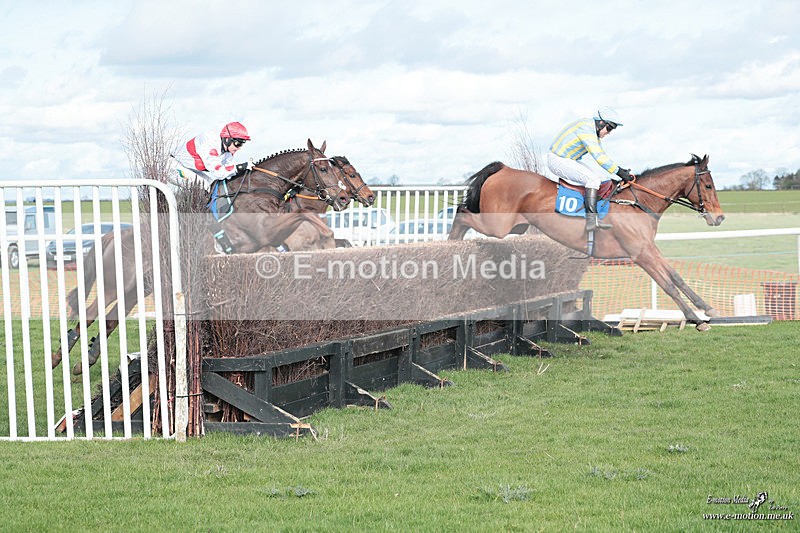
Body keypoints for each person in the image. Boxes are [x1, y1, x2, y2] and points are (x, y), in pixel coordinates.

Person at [547, 107, 632, 231]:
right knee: (592, 180)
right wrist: (619, 171)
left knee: (601, 178)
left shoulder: (591, 129)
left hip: (567, 159)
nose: (609, 132)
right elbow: (599, 156)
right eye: (609, 128)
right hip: (558, 160)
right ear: (601, 122)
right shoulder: (586, 129)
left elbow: (602, 154)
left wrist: (619, 170)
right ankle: (591, 220)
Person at [171, 121, 254, 189]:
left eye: (241, 145)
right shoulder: (210, 144)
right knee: (205, 186)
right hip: (173, 166)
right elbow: (219, 173)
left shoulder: (227, 150)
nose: (239, 148)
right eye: (237, 144)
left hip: (188, 167)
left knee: (214, 186)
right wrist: (239, 167)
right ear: (228, 139)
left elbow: (229, 169)